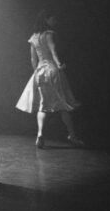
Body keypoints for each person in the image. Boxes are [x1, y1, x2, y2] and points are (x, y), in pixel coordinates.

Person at [15, 9, 84, 148]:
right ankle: (73, 136)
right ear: (47, 20)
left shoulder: (34, 37)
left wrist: (36, 73)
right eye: (53, 19)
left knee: (43, 106)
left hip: (40, 72)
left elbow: (33, 59)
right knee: (64, 106)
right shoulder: (49, 34)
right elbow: (53, 52)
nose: (55, 21)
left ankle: (40, 134)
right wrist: (59, 65)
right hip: (52, 70)